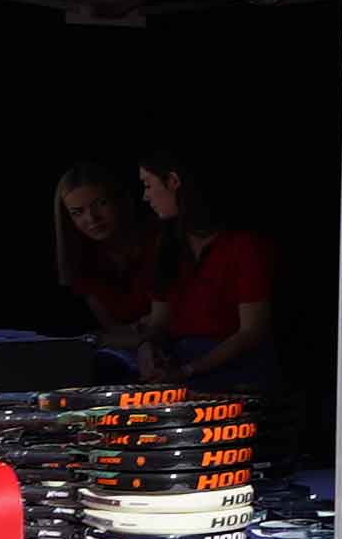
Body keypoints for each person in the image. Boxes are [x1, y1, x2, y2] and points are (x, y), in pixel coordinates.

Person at [129, 144, 275, 390]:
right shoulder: (167, 245)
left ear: (173, 181)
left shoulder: (243, 246)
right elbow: (159, 321)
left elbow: (252, 331)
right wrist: (147, 347)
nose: (145, 196)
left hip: (234, 370)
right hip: (180, 361)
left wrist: (188, 370)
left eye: (148, 185)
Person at [52, 160, 163, 337]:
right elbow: (113, 328)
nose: (92, 218)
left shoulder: (158, 239)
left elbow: (164, 321)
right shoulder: (82, 260)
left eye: (101, 203)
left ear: (120, 199)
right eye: (78, 212)